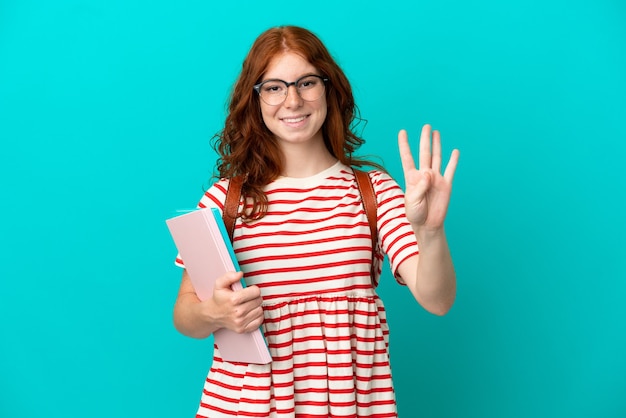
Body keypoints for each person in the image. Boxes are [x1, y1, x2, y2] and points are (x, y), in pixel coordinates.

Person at [172, 25, 459, 418]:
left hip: (348, 407)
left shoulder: (372, 191)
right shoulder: (226, 200)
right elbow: (185, 315)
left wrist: (430, 232)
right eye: (273, 87)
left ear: (329, 89)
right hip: (243, 406)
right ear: (254, 100)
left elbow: (438, 300)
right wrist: (213, 313)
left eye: (306, 82)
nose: (292, 100)